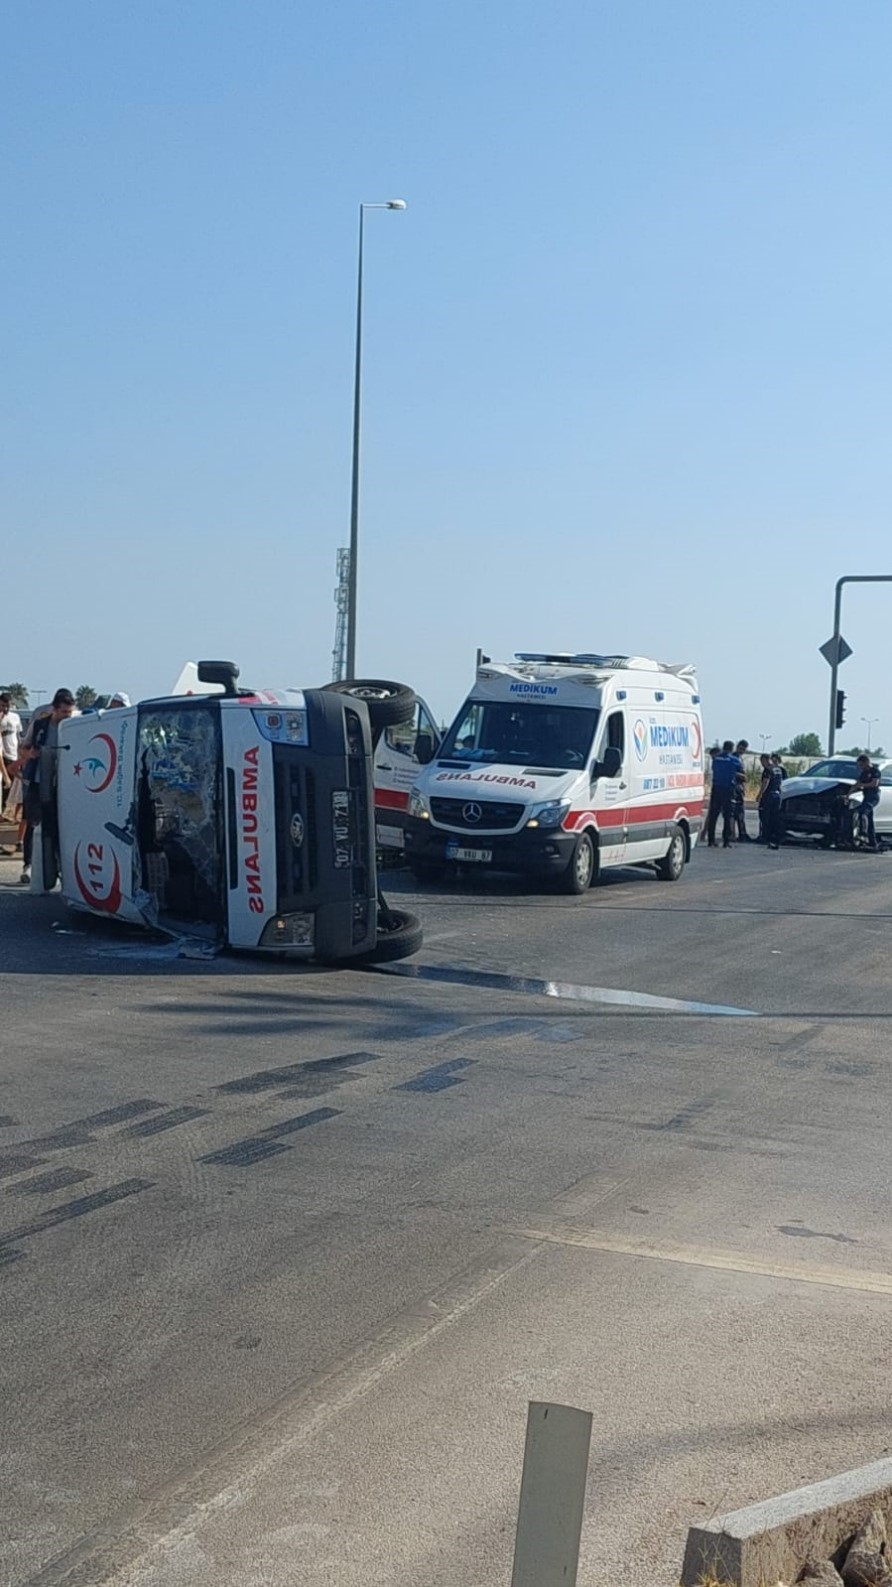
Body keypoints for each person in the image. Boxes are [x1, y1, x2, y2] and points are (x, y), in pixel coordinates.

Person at [20, 688, 76, 885]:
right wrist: (31, 753)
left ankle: (58, 867)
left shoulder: (72, 728)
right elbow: (24, 748)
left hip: (61, 784)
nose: (66, 717)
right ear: (54, 709)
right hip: (37, 781)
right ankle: (28, 864)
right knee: (33, 823)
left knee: (58, 824)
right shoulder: (40, 725)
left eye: (69, 713)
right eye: (63, 713)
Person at [706, 740, 743, 848]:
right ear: (732, 749)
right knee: (728, 816)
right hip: (728, 790)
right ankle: (726, 841)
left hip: (716, 788)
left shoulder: (716, 759)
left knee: (713, 815)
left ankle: (711, 840)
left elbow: (714, 769)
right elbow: (739, 770)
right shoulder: (734, 760)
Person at [851, 754, 881, 852]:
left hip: (873, 797)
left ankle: (864, 834)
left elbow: (874, 783)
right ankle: (873, 843)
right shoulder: (863, 773)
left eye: (862, 765)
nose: (861, 767)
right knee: (870, 819)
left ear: (867, 762)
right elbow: (856, 785)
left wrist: (862, 785)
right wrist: (848, 795)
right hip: (866, 796)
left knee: (863, 812)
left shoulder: (875, 771)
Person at [0, 692, 22, 812]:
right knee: (4, 781)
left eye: (7, 705)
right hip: (2, 754)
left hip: (13, 753)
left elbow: (18, 736)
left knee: (12, 783)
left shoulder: (15, 717)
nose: (5, 708)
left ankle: (8, 809)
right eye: (3, 705)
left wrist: (20, 752)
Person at [758, 753, 784, 850]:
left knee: (765, 817)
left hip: (769, 796)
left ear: (765, 760)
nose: (762, 764)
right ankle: (775, 837)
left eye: (762, 761)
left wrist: (760, 794)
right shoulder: (778, 769)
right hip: (777, 795)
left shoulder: (768, 770)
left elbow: (766, 782)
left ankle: (766, 837)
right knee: (775, 818)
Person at [731, 739, 752, 841]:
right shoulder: (734, 758)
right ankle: (737, 834)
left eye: (744, 749)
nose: (742, 750)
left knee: (740, 812)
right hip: (735, 787)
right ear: (737, 746)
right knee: (736, 812)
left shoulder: (740, 758)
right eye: (741, 748)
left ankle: (741, 833)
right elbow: (731, 772)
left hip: (740, 788)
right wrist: (742, 776)